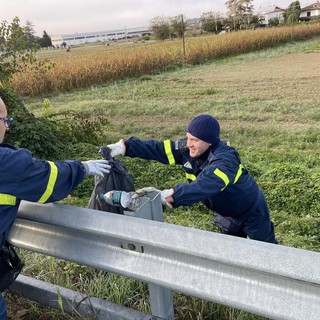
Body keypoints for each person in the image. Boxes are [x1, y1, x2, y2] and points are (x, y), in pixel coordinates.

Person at [0, 97, 111, 319]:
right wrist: (81, 168)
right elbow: (49, 180)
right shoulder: (7, 163)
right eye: (4, 120)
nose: (6, 127)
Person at [106, 114, 278, 245]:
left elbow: (207, 184)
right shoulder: (188, 149)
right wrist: (125, 148)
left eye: (194, 140)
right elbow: (158, 149)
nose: (189, 144)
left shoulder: (225, 159)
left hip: (251, 212)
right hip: (225, 214)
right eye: (188, 137)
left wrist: (173, 195)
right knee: (233, 251)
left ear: (210, 142)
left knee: (266, 251)